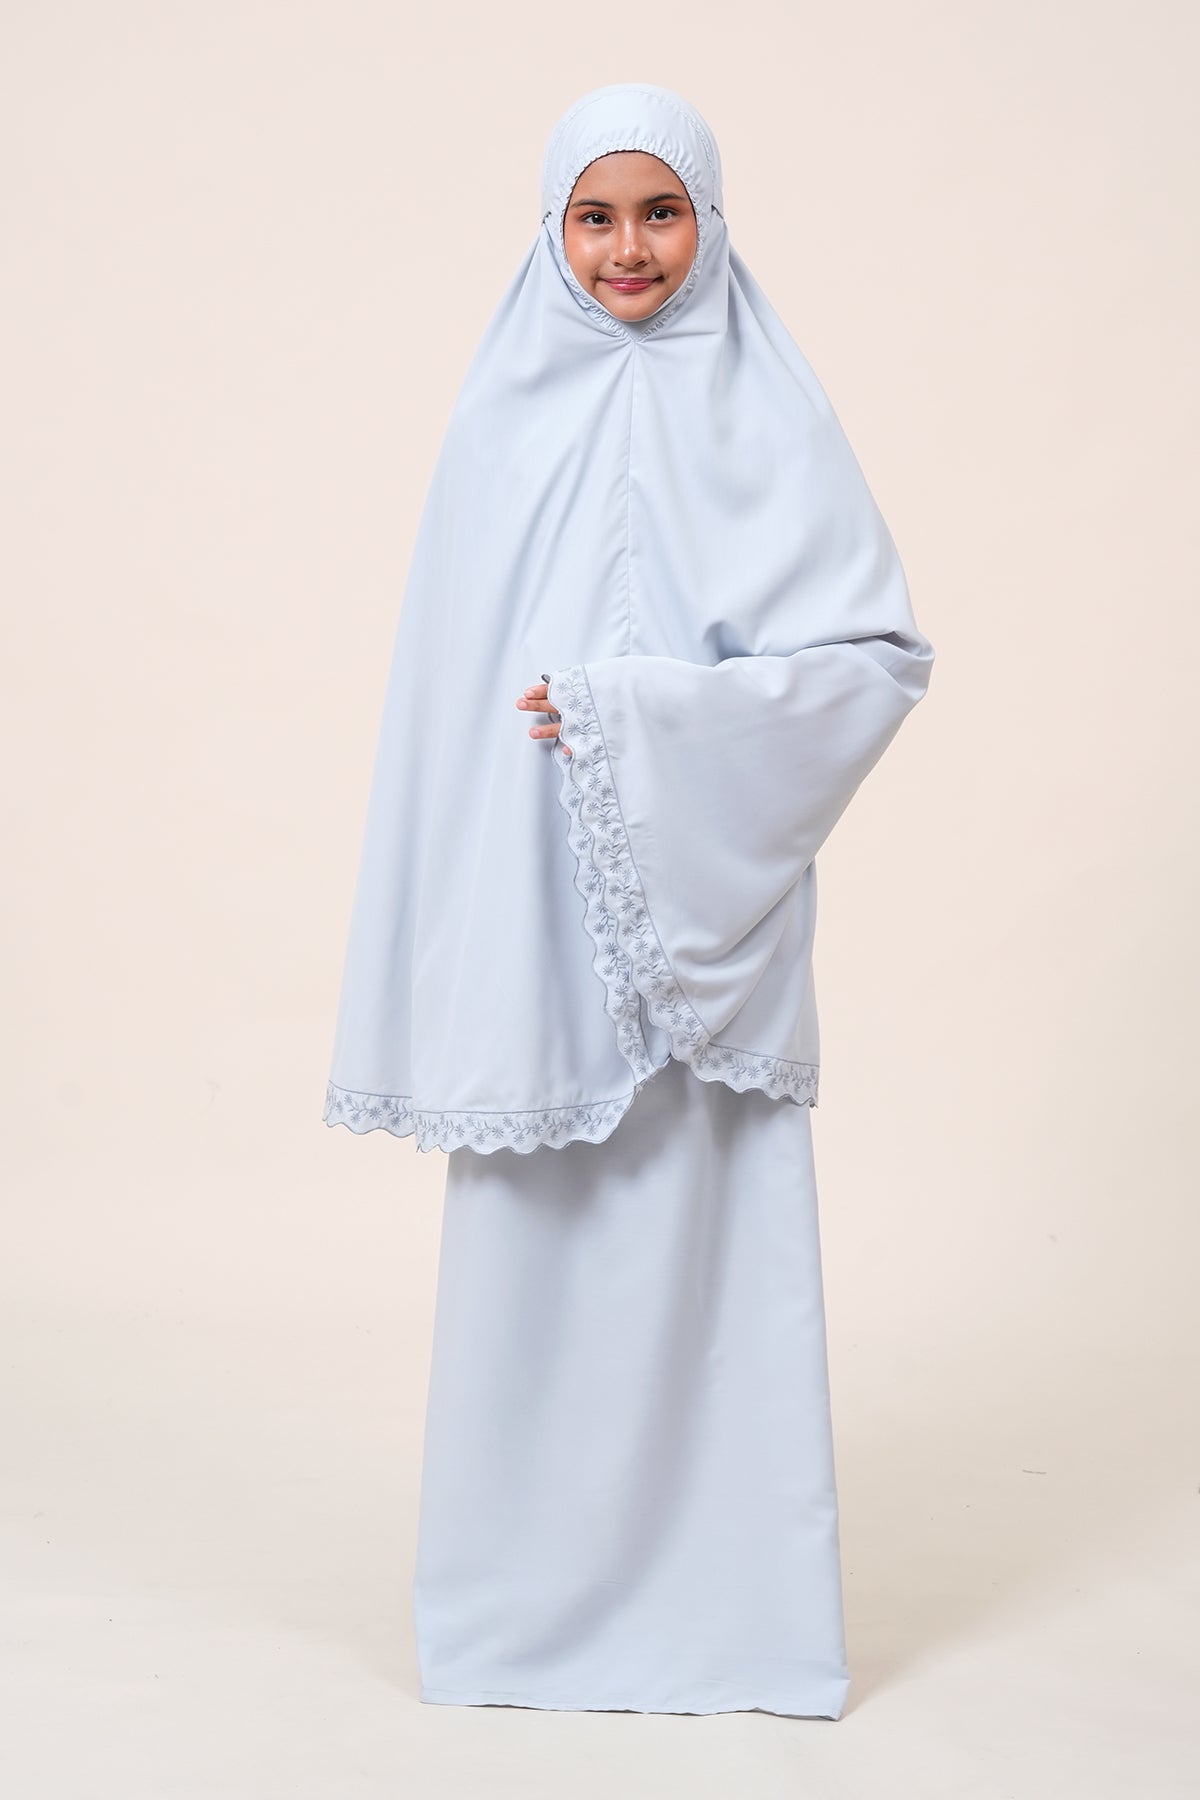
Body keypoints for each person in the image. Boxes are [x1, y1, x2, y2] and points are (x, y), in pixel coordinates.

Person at [322, 82, 935, 1718]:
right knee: (539, 1250)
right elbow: (445, 693)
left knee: (711, 1240)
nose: (627, 248)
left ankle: (735, 1626)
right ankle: (518, 1625)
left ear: (711, 221)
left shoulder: (773, 416)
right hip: (529, 899)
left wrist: (643, 725)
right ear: (551, 229)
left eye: (660, 211)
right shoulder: (495, 419)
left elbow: (875, 661)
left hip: (706, 914)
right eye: (593, 216)